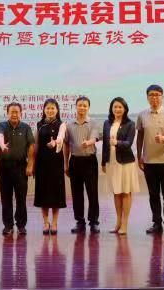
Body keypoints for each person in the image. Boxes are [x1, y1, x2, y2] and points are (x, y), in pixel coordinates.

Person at [136, 85, 164, 236]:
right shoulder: (142, 115)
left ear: (162, 96)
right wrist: (139, 155)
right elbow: (140, 137)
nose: (154, 97)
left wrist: (163, 138)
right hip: (148, 161)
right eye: (151, 95)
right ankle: (157, 223)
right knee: (153, 194)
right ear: (147, 97)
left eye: (157, 95)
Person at [101, 97, 139, 236]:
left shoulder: (130, 124)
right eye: (115, 107)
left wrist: (117, 143)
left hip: (125, 163)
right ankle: (118, 221)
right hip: (111, 162)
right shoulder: (107, 123)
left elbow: (129, 143)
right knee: (116, 192)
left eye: (120, 107)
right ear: (111, 108)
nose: (117, 109)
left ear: (125, 109)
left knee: (126, 192)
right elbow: (105, 144)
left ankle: (125, 223)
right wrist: (103, 162)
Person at [0, 102, 35, 235]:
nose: (14, 114)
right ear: (7, 113)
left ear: (21, 113)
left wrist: (30, 165)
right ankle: (8, 225)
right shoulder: (1, 125)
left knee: (21, 198)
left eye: (16, 112)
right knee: (5, 198)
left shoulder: (26, 127)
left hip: (20, 167)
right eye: (11, 112)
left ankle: (21, 225)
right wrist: (2, 145)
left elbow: (31, 146)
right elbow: (0, 136)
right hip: (5, 167)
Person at [63, 96, 100, 234]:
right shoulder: (69, 125)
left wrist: (88, 143)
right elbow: (66, 145)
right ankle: (80, 221)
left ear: (88, 107)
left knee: (92, 193)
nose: (82, 108)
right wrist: (66, 164)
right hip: (75, 161)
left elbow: (94, 138)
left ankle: (94, 222)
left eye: (85, 105)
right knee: (77, 193)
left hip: (90, 161)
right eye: (80, 105)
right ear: (76, 106)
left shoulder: (93, 123)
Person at [34, 99, 67, 235]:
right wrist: (33, 163)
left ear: (57, 110)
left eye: (53, 108)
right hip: (42, 163)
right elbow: (36, 144)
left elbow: (61, 137)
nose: (50, 110)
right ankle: (46, 222)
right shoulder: (39, 125)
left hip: (56, 163)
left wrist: (55, 143)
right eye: (48, 108)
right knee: (43, 193)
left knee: (56, 193)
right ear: (44, 110)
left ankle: (54, 223)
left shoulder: (62, 124)